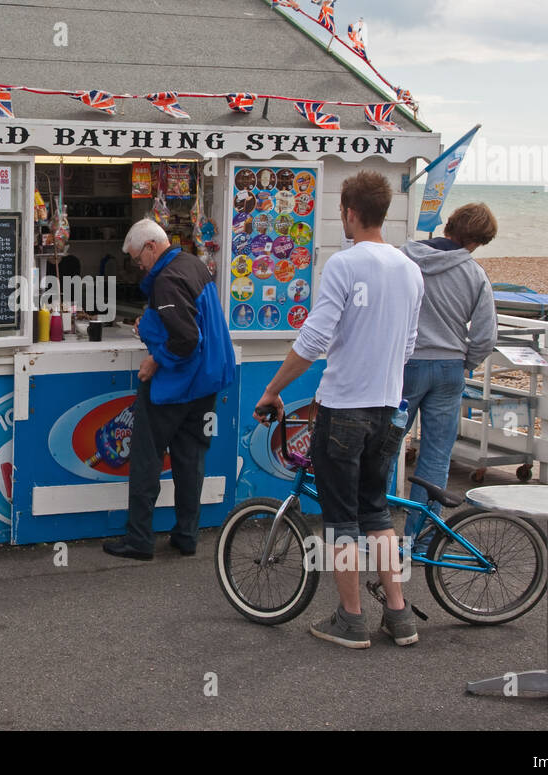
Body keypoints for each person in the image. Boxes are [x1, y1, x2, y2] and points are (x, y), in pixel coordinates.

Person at [253, 171, 424, 648]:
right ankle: (399, 613)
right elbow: (409, 345)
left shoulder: (344, 265)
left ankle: (351, 619)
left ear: (349, 212)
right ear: (384, 211)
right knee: (378, 514)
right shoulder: (410, 269)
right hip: (389, 409)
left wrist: (272, 389)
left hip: (345, 407)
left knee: (341, 520)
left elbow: (313, 340)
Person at [103, 218, 235, 560]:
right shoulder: (192, 264)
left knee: (146, 459)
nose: (137, 266)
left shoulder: (166, 280)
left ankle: (139, 539)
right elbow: (191, 319)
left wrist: (154, 360)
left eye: (137, 258)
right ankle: (186, 536)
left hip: (175, 384)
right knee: (190, 462)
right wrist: (149, 322)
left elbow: (187, 338)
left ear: (151, 246)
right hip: (205, 383)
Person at [399, 203, 499, 548]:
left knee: (383, 450)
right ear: (477, 241)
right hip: (449, 368)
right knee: (436, 456)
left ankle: (375, 533)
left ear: (449, 227)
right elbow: (485, 337)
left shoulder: (405, 258)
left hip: (406, 363)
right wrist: (465, 362)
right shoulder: (475, 275)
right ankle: (421, 538)